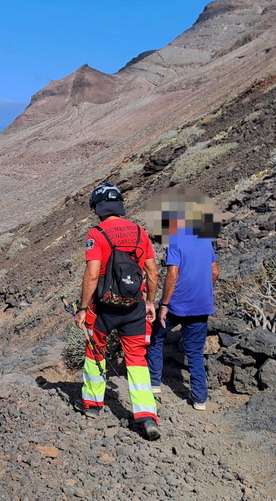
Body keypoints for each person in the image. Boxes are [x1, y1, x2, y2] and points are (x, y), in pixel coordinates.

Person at [74, 182, 161, 440]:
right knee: (137, 360)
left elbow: (91, 275)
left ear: (98, 208)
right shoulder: (139, 233)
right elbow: (153, 272)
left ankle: (92, 405)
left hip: (103, 309)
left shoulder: (97, 234)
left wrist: (82, 308)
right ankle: (146, 416)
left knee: (95, 353)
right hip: (134, 307)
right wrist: (150, 302)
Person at [146, 203, 219, 411]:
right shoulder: (206, 243)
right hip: (201, 305)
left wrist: (165, 304)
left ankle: (154, 383)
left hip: (177, 304)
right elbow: (215, 272)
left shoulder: (175, 242)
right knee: (195, 351)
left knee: (156, 336)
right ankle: (199, 399)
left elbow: (172, 274)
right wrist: (204, 292)